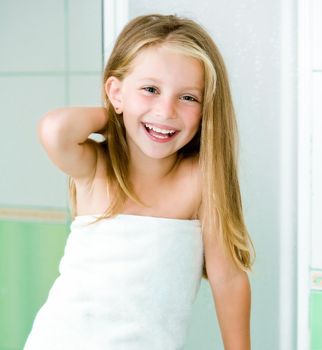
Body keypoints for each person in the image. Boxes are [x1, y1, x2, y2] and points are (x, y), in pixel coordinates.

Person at [24, 13, 255, 350]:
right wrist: (122, 114)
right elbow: (56, 129)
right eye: (150, 90)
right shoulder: (98, 169)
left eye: (188, 97)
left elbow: (229, 280)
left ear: (207, 108)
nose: (165, 110)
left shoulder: (198, 181)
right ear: (116, 92)